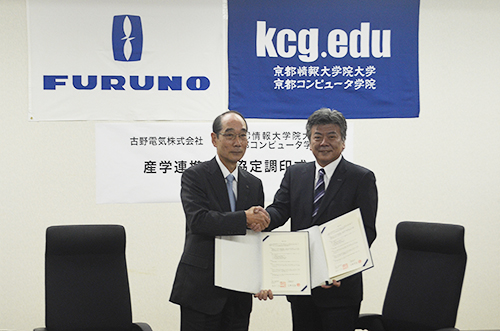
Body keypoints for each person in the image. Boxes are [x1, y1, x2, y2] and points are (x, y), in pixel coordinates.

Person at [259, 108, 378, 331]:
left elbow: (366, 232)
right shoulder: (296, 174)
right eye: (317, 136)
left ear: (343, 141)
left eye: (331, 136)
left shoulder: (361, 178)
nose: (324, 142)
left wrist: (338, 269)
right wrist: (262, 219)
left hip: (340, 289)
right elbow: (280, 210)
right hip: (301, 285)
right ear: (309, 141)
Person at [169, 110, 270, 331]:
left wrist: (263, 278)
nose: (237, 142)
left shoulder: (254, 184)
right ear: (214, 139)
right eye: (230, 135)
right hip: (201, 290)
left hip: (239, 292)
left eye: (243, 135)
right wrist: (244, 218)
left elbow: (254, 237)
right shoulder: (195, 176)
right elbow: (199, 221)